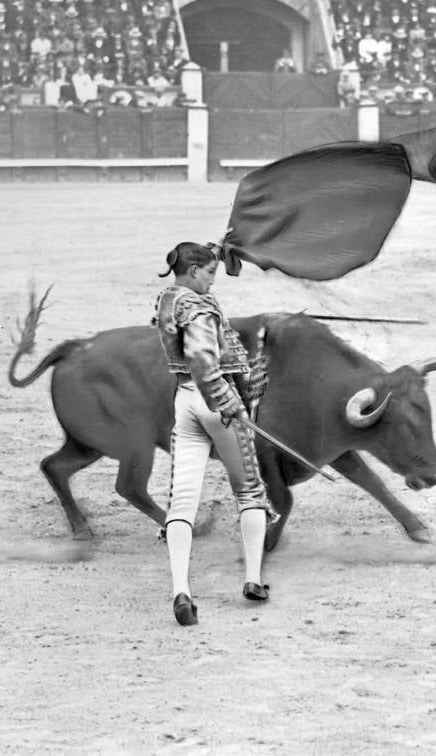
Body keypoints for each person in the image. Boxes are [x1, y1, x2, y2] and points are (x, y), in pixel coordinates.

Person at [154, 242, 276, 627]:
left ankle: (181, 591)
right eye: (209, 273)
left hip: (183, 402)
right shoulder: (200, 308)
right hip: (213, 403)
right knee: (249, 490)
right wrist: (228, 402)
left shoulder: (169, 299)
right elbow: (203, 361)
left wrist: (215, 250)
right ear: (193, 271)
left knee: (182, 501)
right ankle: (253, 579)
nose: (212, 281)